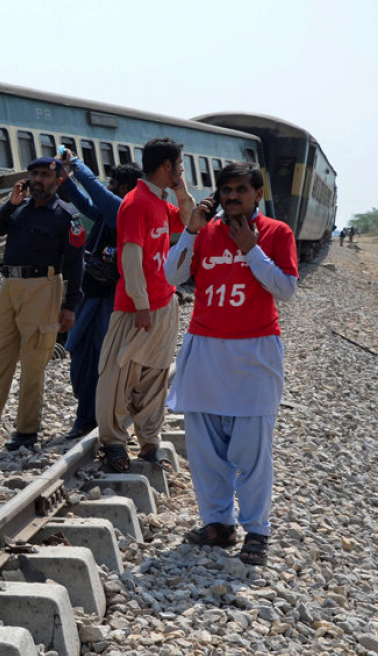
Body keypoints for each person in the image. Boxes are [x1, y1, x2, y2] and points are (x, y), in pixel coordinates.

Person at [164, 161, 298, 566]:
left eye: (241, 189)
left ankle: (256, 530)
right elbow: (172, 275)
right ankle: (218, 524)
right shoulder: (204, 232)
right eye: (226, 190)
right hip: (206, 349)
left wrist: (250, 250)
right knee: (205, 449)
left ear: (258, 194)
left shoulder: (277, 233)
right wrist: (190, 228)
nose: (233, 196)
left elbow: (286, 289)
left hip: (255, 352)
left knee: (252, 450)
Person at [0, 156, 85, 450]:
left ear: (57, 180)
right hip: (9, 287)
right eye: (34, 174)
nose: (38, 180)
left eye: (45, 175)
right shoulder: (18, 209)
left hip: (43, 288)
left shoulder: (66, 217)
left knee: (33, 362)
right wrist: (11, 203)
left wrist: (70, 306)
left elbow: (76, 266)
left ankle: (26, 431)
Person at [95, 138, 189, 472]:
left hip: (164, 302)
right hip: (138, 307)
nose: (181, 171)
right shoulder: (136, 203)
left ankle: (150, 442)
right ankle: (114, 442)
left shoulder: (160, 202)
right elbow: (130, 256)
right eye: (179, 166)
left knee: (155, 376)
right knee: (118, 373)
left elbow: (193, 223)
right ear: (166, 166)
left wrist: (181, 191)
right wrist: (141, 302)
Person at [56, 150, 144, 441]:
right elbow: (85, 203)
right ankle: (88, 413)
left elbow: (96, 194)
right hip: (90, 293)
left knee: (99, 359)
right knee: (81, 354)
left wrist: (76, 165)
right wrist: (66, 180)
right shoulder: (109, 214)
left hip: (108, 299)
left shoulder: (123, 210)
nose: (108, 187)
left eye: (114, 183)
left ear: (124, 187)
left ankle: (88, 419)